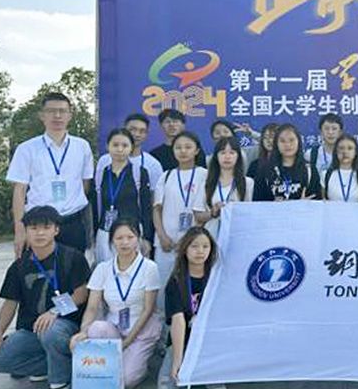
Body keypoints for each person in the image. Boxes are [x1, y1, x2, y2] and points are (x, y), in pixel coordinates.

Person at [0, 206, 90, 389]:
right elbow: (10, 303)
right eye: (33, 228)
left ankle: (60, 378)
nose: (40, 233)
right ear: (26, 231)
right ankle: (56, 365)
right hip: (31, 330)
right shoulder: (19, 265)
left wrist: (54, 311)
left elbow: (81, 294)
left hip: (65, 326)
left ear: (56, 230)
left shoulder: (72, 257)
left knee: (50, 331)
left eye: (46, 227)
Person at [69, 218, 162, 388]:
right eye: (119, 238)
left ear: (138, 239)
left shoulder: (149, 268)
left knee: (127, 380)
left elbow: (148, 310)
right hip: (114, 327)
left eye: (130, 237)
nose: (125, 242)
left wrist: (126, 343)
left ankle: (139, 363)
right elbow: (92, 307)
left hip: (141, 329)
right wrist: (84, 332)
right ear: (112, 241)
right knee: (96, 328)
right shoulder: (103, 268)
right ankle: (117, 360)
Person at [7, 92, 94, 256]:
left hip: (73, 223)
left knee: (74, 269)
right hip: (38, 224)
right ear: (42, 115)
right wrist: (20, 229)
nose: (57, 116)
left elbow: (85, 183)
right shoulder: (26, 149)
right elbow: (19, 190)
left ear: (70, 115)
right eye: (51, 111)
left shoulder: (82, 147)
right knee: (39, 270)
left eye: (62, 111)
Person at [157, 227, 226, 389]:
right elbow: (178, 321)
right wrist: (177, 360)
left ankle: (207, 372)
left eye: (205, 246)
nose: (200, 251)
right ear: (185, 249)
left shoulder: (217, 278)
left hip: (210, 342)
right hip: (184, 340)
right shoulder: (176, 281)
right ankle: (196, 375)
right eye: (194, 246)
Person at [152, 131, 208, 301]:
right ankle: (163, 317)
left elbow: (204, 211)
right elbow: (156, 209)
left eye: (188, 147)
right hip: (167, 243)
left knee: (191, 286)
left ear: (197, 150)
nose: (183, 151)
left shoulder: (204, 175)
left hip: (193, 243)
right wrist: (162, 236)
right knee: (163, 286)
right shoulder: (166, 176)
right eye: (178, 147)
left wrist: (190, 240)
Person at [93, 128, 154, 264]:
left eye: (125, 145)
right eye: (115, 145)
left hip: (131, 234)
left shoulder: (139, 173)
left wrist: (147, 238)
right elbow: (95, 206)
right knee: (106, 272)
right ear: (107, 146)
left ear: (131, 147)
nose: (120, 149)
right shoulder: (101, 174)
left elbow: (146, 207)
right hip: (105, 233)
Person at [95, 113, 164, 202]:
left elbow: (155, 197)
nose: (137, 134)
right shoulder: (105, 160)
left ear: (146, 134)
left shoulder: (153, 164)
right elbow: (97, 193)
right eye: (133, 129)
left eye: (142, 131)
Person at [253, 123, 321, 201]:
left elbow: (317, 201)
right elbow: (257, 202)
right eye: (282, 141)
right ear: (276, 144)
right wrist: (272, 203)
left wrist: (304, 204)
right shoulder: (264, 170)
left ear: (299, 142)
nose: (288, 145)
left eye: (291, 140)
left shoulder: (310, 170)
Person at [203, 136, 254, 237]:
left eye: (232, 153)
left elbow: (249, 212)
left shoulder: (248, 182)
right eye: (223, 153)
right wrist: (213, 212)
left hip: (237, 233)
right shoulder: (207, 181)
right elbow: (198, 215)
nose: (227, 157)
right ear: (216, 156)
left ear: (238, 156)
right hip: (211, 235)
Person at [322, 134, 358, 203]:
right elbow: (324, 202)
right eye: (341, 148)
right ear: (336, 152)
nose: (345, 152)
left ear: (355, 152)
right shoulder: (326, 174)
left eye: (350, 148)